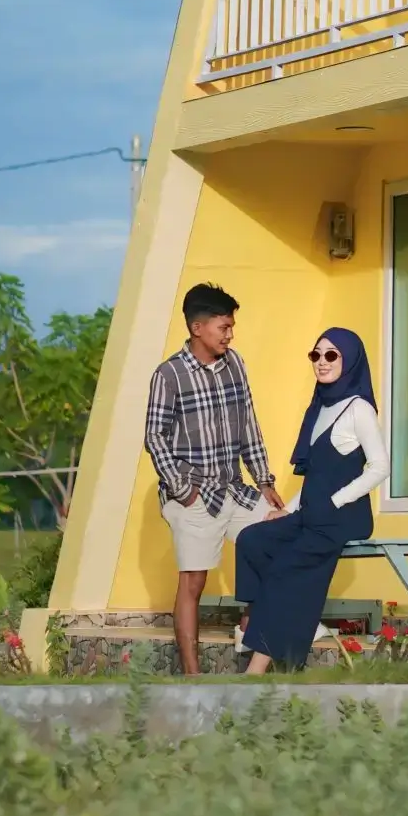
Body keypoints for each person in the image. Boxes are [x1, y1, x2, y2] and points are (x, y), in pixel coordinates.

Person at [144, 282, 283, 674]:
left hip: (233, 489)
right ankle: (193, 678)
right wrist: (182, 490)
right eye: (224, 327)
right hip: (192, 493)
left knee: (278, 538)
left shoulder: (235, 363)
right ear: (197, 328)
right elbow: (154, 436)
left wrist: (264, 481)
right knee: (193, 582)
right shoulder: (169, 375)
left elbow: (248, 423)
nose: (230, 335)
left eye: (231, 327)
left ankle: (250, 627)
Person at [235, 327, 389, 673]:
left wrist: (336, 501)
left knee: (285, 570)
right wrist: (288, 510)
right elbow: (317, 475)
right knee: (252, 540)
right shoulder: (320, 406)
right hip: (313, 513)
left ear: (350, 360)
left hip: (342, 517)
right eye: (315, 354)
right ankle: (290, 619)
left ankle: (255, 670)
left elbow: (380, 467)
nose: (322, 361)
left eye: (331, 355)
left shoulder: (358, 409)